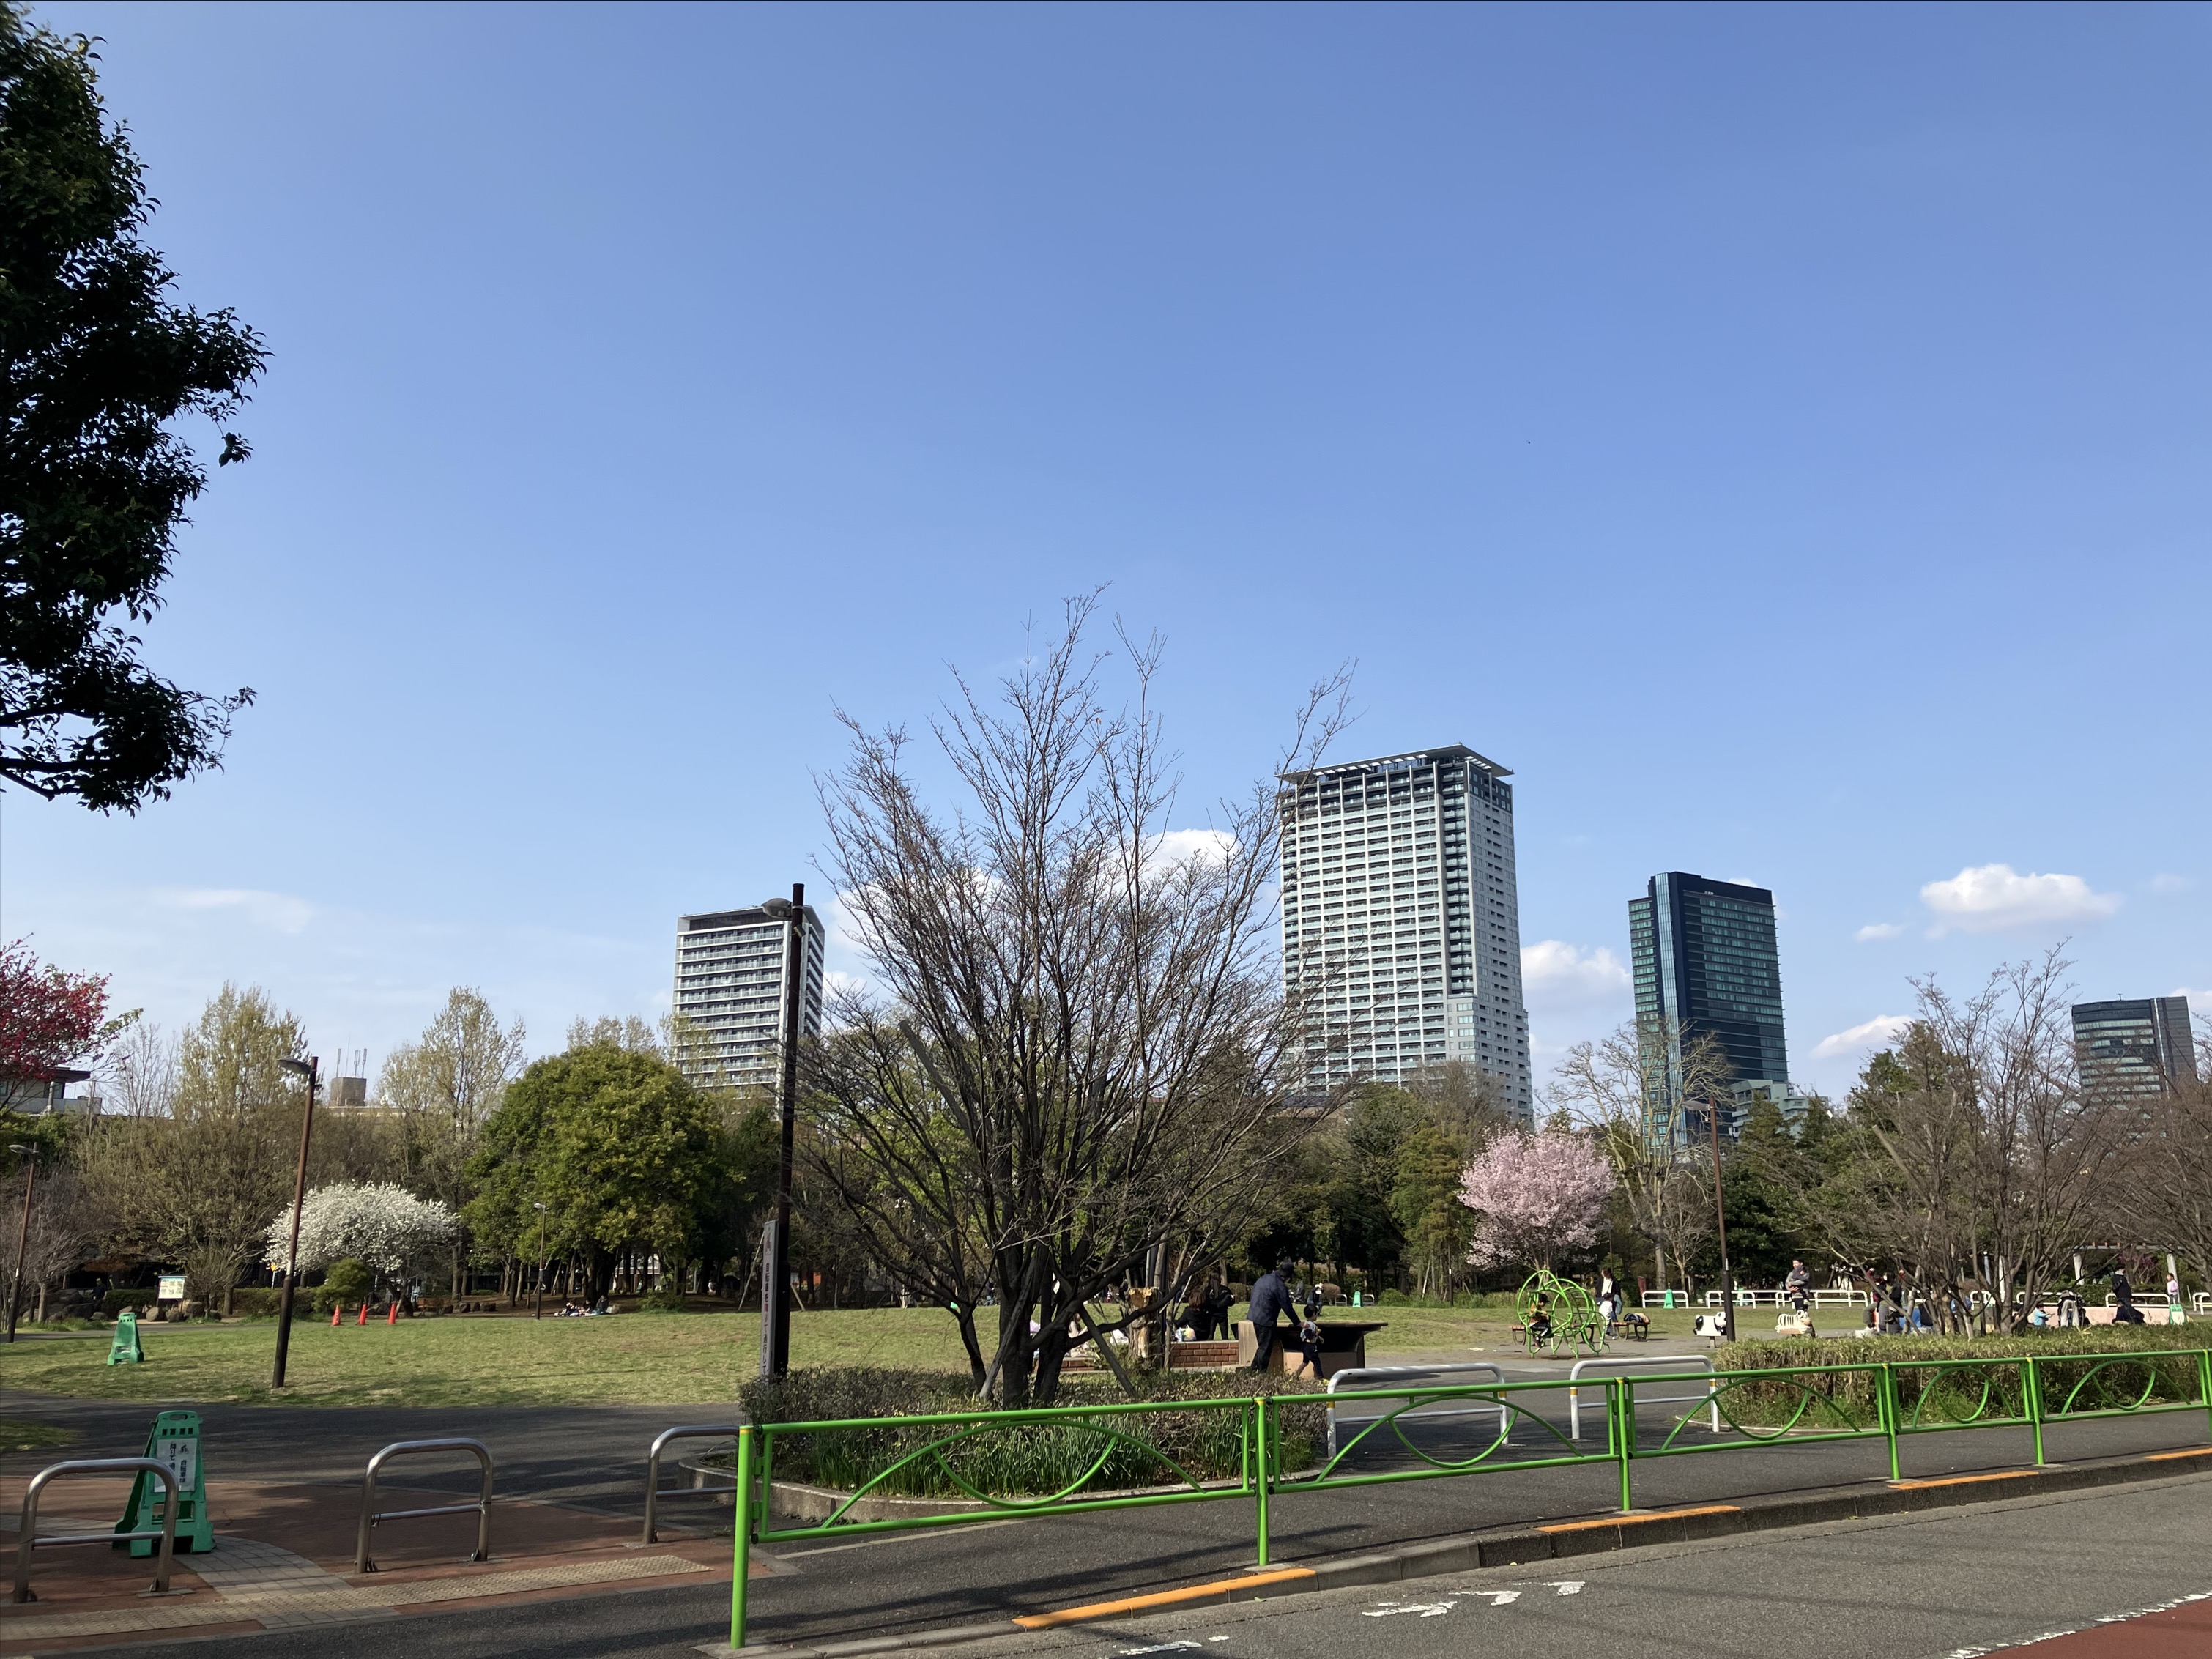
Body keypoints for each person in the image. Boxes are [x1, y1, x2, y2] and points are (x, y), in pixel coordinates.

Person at [1247, 1260, 1294, 1372]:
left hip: (1254, 1316)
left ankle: (1254, 1371)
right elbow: (1287, 1307)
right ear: (1287, 1276)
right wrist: (1298, 1323)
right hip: (1266, 1320)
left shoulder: (1264, 1278)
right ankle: (1258, 1373)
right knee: (1265, 1348)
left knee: (1262, 1347)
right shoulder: (1279, 1285)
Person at [1290, 1302, 1324, 1381]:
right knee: (1317, 1363)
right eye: (1316, 1314)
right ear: (1314, 1314)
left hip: (1305, 1346)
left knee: (1305, 1362)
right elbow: (1309, 1335)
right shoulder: (1310, 1325)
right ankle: (1320, 1378)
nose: (1317, 1316)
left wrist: (1319, 1338)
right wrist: (1317, 1333)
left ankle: (1295, 1377)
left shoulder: (1308, 1324)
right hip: (1310, 1346)